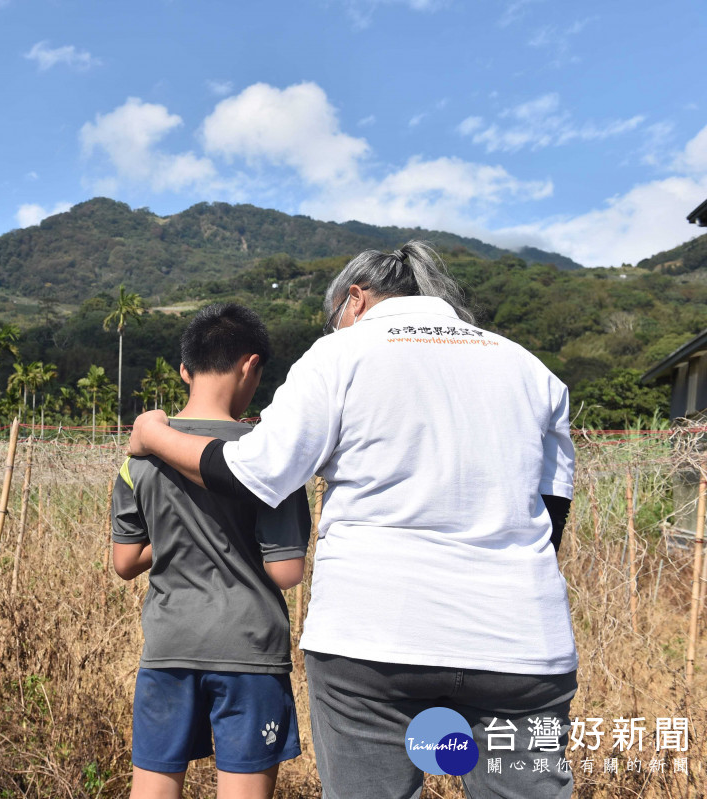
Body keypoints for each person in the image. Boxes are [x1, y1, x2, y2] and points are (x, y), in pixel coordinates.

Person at [126, 242, 577, 799]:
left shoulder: (339, 354)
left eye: (334, 315)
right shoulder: (529, 367)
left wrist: (154, 435)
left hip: (372, 638)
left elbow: (254, 471)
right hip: (520, 642)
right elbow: (552, 514)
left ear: (355, 299)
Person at [112, 302, 313, 799]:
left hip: (169, 646)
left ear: (185, 370)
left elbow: (124, 563)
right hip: (249, 650)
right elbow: (286, 571)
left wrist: (180, 530)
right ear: (251, 365)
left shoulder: (139, 459)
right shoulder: (269, 458)